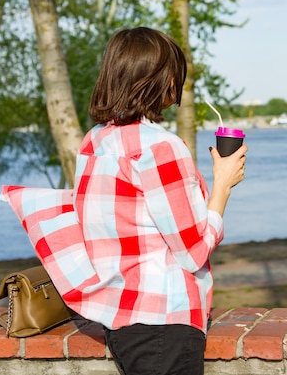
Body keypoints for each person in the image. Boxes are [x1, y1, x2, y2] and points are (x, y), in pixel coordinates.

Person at [74, 27, 247, 375]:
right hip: (165, 320)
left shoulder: (93, 142)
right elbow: (193, 251)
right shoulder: (161, 147)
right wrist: (222, 187)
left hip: (119, 317)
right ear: (158, 80)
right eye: (174, 74)